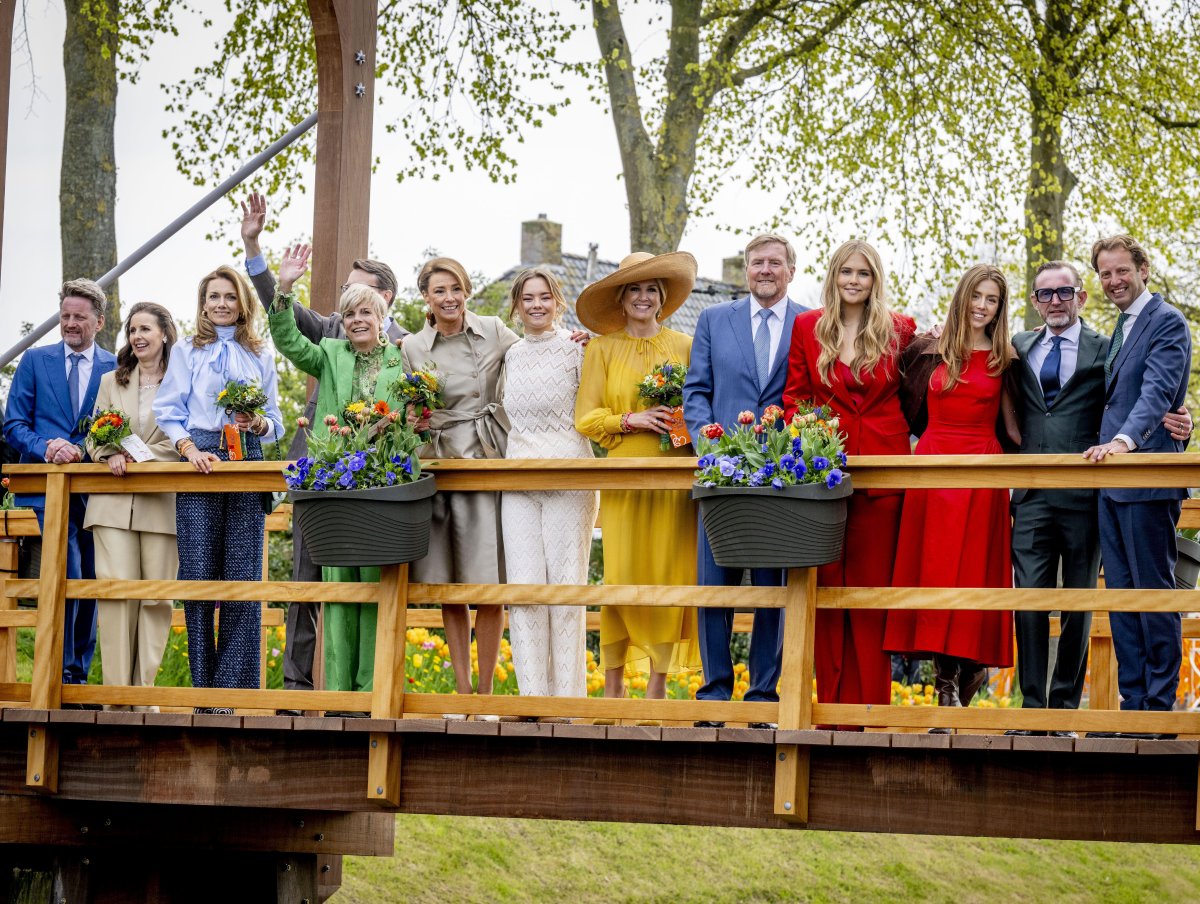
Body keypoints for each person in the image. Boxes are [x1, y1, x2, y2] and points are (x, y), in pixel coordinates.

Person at [1010, 262, 1190, 734]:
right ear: (1034, 300)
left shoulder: (1105, 346)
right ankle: (1032, 709)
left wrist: (1181, 423)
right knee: (1027, 599)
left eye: (1064, 292)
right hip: (1030, 492)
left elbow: (1146, 393)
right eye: (1045, 294)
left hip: (1088, 493)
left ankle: (1071, 710)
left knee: (1084, 602)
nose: (1055, 301)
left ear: (1081, 297)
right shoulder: (1018, 346)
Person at [240, 192, 406, 706]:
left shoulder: (405, 351)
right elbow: (288, 333)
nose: (350, 313)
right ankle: (307, 688)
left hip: (379, 488)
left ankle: (372, 688)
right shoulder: (331, 345)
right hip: (327, 478)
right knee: (315, 582)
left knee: (371, 591)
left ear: (384, 305)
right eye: (345, 304)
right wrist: (275, 274)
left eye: (360, 302)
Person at [782, 240, 916, 720]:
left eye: (863, 273)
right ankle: (830, 710)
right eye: (846, 273)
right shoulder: (806, 327)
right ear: (833, 277)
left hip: (883, 472)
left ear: (875, 279)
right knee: (826, 592)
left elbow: (923, 387)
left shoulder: (900, 330)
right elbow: (795, 397)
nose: (854, 281)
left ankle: (872, 712)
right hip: (825, 475)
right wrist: (816, 445)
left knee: (871, 593)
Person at [884, 264, 1020, 727]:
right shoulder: (928, 349)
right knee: (937, 570)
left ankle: (972, 664)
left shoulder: (1007, 357)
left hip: (982, 469)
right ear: (962, 297)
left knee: (975, 572)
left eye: (993, 300)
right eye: (976, 296)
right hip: (934, 465)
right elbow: (894, 391)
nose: (983, 306)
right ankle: (945, 679)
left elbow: (1020, 425)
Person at [682, 234, 807, 727]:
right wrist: (710, 449)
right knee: (715, 584)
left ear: (791, 271)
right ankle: (714, 693)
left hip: (780, 477)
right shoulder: (715, 319)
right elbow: (696, 389)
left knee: (774, 588)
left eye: (775, 263)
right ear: (746, 270)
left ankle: (762, 695)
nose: (765, 270)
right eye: (758, 263)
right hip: (722, 475)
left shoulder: (809, 323)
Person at [153, 266, 284, 711]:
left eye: (230, 296)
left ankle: (228, 695)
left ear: (242, 303)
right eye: (214, 297)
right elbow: (167, 411)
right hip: (200, 462)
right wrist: (189, 450)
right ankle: (202, 693)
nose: (222, 304)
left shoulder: (260, 354)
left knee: (243, 579)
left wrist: (258, 422)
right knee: (199, 579)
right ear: (203, 303)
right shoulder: (188, 351)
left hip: (246, 459)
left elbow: (276, 425)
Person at [575, 251, 702, 700]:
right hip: (625, 477)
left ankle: (657, 686)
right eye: (634, 289)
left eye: (651, 289)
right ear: (621, 298)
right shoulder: (602, 348)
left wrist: (676, 422)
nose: (643, 297)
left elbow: (702, 408)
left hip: (674, 475)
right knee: (621, 576)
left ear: (663, 298)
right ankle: (612, 687)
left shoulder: (687, 346)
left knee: (670, 574)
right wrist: (631, 420)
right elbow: (586, 417)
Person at [1083, 235, 1191, 734]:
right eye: (1105, 274)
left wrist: (1126, 442)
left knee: (1153, 594)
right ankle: (1133, 705)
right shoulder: (1120, 330)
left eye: (1122, 270)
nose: (1113, 281)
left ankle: (1159, 708)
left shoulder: (1166, 321)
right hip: (1109, 485)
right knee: (1122, 599)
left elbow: (1157, 393)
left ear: (1143, 268)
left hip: (1146, 480)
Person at [401, 257, 518, 716]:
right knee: (450, 583)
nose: (449, 298)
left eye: (455, 288)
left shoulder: (493, 329)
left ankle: (486, 693)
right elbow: (409, 403)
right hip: (440, 464)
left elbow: (536, 345)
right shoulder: (412, 346)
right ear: (426, 298)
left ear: (466, 290)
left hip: (488, 459)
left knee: (489, 582)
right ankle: (461, 690)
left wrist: (574, 341)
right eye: (438, 291)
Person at [3, 278, 116, 691]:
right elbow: (13, 425)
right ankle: (53, 674)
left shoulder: (114, 367)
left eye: (79, 317)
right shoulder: (35, 361)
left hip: (97, 490)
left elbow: (118, 424)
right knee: (66, 566)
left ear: (98, 321)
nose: (70, 323)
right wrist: (46, 446)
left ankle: (77, 678)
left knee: (90, 576)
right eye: (65, 316)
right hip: (45, 487)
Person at [500, 268, 598, 706]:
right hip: (518, 478)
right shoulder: (511, 354)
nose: (536, 305)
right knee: (523, 590)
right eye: (527, 298)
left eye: (544, 297)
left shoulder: (578, 349)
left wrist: (595, 345)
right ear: (517, 305)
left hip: (569, 475)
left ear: (558, 302)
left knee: (565, 586)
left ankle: (569, 703)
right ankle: (532, 700)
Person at [83, 303, 180, 708]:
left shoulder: (182, 379)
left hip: (162, 504)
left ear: (164, 334)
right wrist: (108, 453)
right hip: (111, 505)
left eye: (146, 329)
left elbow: (184, 437)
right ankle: (115, 695)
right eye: (132, 329)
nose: (138, 336)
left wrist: (147, 457)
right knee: (116, 595)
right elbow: (94, 434)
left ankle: (143, 695)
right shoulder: (111, 381)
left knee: (156, 598)